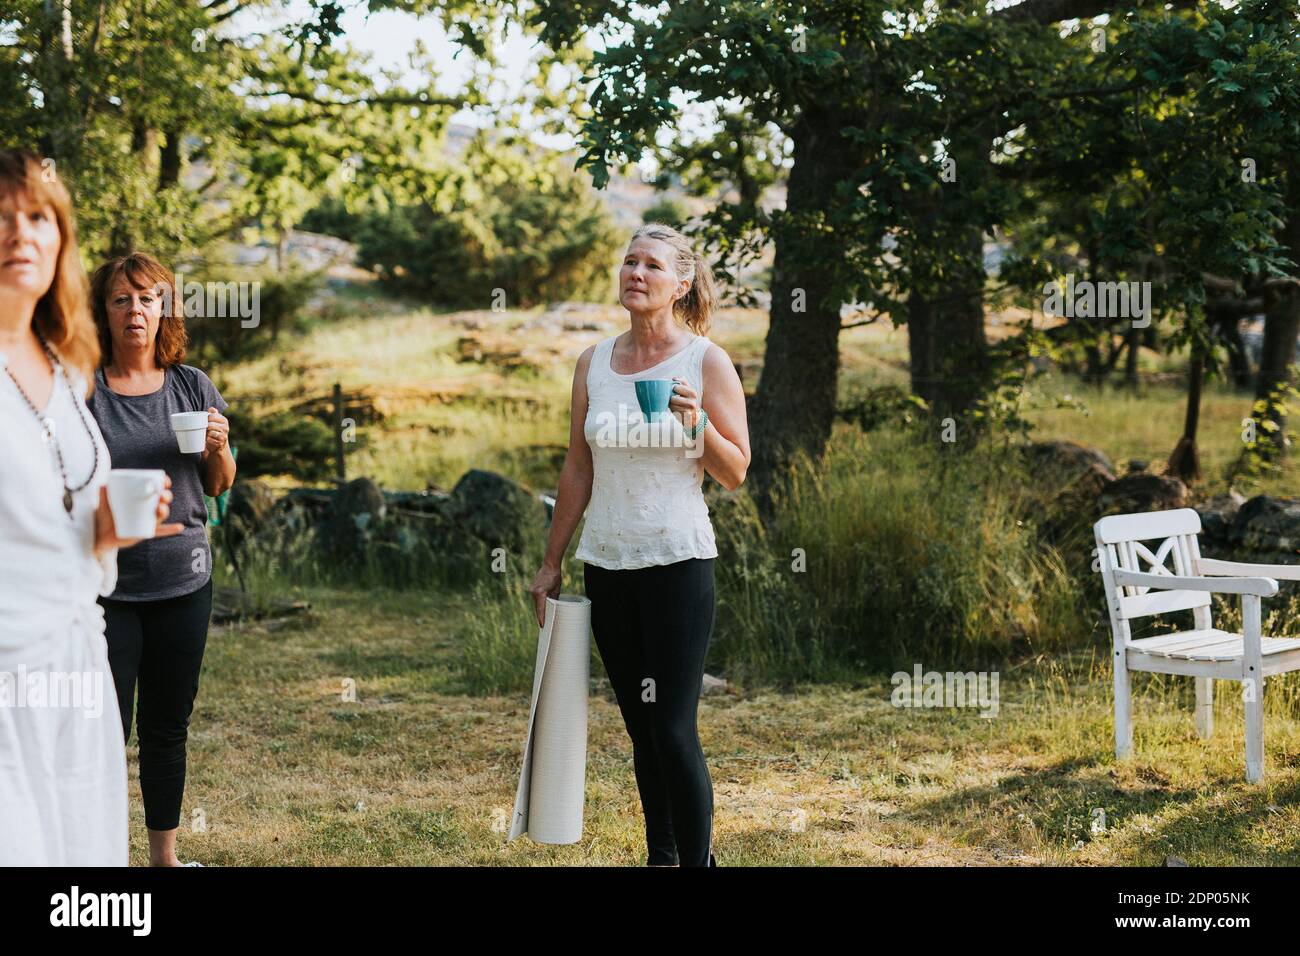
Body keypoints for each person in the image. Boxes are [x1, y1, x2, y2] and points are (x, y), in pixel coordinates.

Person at [529, 222, 751, 867]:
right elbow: (578, 467)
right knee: (641, 729)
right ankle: (663, 857)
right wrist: (551, 563)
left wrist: (697, 424)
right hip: (608, 564)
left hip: (679, 562)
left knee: (674, 730)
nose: (636, 273)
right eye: (629, 262)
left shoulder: (705, 360)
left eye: (652, 265)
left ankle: (699, 862)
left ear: (680, 284)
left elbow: (735, 471)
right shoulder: (593, 362)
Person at [0, 148, 180, 866]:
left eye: (39, 217)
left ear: (61, 238)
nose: (21, 234)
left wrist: (104, 530)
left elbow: (60, 518)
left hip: (77, 665)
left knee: (83, 866)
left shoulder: (65, 366)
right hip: (7, 670)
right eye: (2, 218)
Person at [86, 251, 236, 867]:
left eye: (148, 299)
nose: (135, 310)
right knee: (102, 733)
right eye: (122, 299)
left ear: (164, 309)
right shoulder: (83, 387)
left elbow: (221, 484)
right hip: (107, 587)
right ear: (105, 311)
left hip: (183, 580)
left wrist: (219, 447)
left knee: (167, 728)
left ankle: (163, 861)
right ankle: (96, 856)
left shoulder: (191, 384)